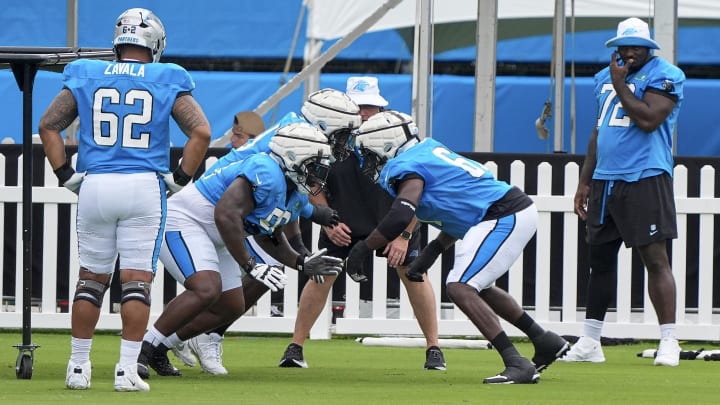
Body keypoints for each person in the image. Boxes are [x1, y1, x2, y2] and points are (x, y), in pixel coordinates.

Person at [38, 7, 211, 392]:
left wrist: (66, 175)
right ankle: (126, 371)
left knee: (90, 279)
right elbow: (200, 132)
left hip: (97, 183)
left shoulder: (87, 72)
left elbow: (48, 125)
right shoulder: (167, 77)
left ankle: (78, 367)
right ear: (155, 43)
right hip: (142, 185)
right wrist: (181, 178)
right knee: (136, 282)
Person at [346, 111, 569, 384]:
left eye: (369, 153)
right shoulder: (426, 150)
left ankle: (515, 362)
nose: (367, 160)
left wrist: (363, 248)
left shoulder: (406, 165)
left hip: (502, 214)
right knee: (478, 287)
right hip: (504, 211)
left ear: (386, 144)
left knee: (459, 286)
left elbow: (401, 214)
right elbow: (459, 209)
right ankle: (544, 340)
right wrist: (432, 252)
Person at [170, 89, 360, 375]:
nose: (346, 141)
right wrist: (298, 248)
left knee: (251, 277)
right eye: (343, 133)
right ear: (325, 123)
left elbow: (288, 199)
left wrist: (300, 248)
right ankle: (190, 334)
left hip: (244, 206)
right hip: (224, 205)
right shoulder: (298, 137)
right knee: (245, 274)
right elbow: (281, 195)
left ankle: (195, 334)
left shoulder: (301, 131)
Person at [137, 122, 343, 379]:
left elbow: (268, 231)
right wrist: (250, 264)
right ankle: (142, 351)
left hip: (217, 233)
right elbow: (225, 214)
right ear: (293, 158)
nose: (318, 174)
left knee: (231, 305)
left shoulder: (294, 192)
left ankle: (161, 347)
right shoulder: (265, 171)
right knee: (206, 288)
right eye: (314, 165)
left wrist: (301, 262)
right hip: (186, 220)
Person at [278, 77, 446, 371]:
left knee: (415, 275)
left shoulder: (401, 139)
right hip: (343, 223)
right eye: (358, 107)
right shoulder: (329, 137)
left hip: (395, 223)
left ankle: (434, 348)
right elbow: (313, 182)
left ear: (381, 108)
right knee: (320, 274)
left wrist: (405, 234)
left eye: (370, 106)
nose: (365, 113)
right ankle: (295, 346)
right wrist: (328, 220)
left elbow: (424, 191)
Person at [561, 17, 685, 366]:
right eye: (623, 46)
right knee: (599, 261)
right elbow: (598, 132)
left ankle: (669, 340)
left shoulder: (666, 74)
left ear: (649, 47)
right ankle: (590, 340)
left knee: (655, 259)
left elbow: (648, 119)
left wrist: (620, 84)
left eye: (636, 46)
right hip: (605, 178)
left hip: (645, 175)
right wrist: (585, 180)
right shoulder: (603, 78)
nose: (629, 52)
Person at [170, 110, 268, 373]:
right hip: (205, 227)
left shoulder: (260, 166)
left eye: (240, 136)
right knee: (206, 289)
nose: (233, 141)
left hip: (228, 232)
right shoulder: (233, 164)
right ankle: (181, 337)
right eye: (234, 135)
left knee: (239, 291)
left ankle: (201, 336)